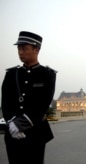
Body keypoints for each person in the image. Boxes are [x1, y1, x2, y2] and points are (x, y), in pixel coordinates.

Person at [1, 31, 57, 164]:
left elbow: (43, 103)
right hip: (13, 132)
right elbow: (5, 102)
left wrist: (20, 124)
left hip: (35, 132)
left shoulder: (47, 74)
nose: (21, 52)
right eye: (19, 49)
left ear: (36, 50)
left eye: (24, 48)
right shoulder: (12, 74)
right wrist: (12, 123)